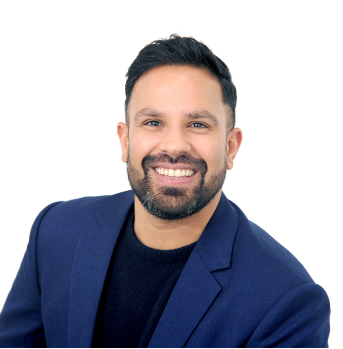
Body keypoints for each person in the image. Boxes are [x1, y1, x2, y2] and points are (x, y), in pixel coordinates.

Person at [0, 34, 330, 348]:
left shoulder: (287, 300)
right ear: (125, 140)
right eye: (153, 122)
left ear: (230, 147)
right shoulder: (56, 232)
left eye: (198, 124)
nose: (174, 145)